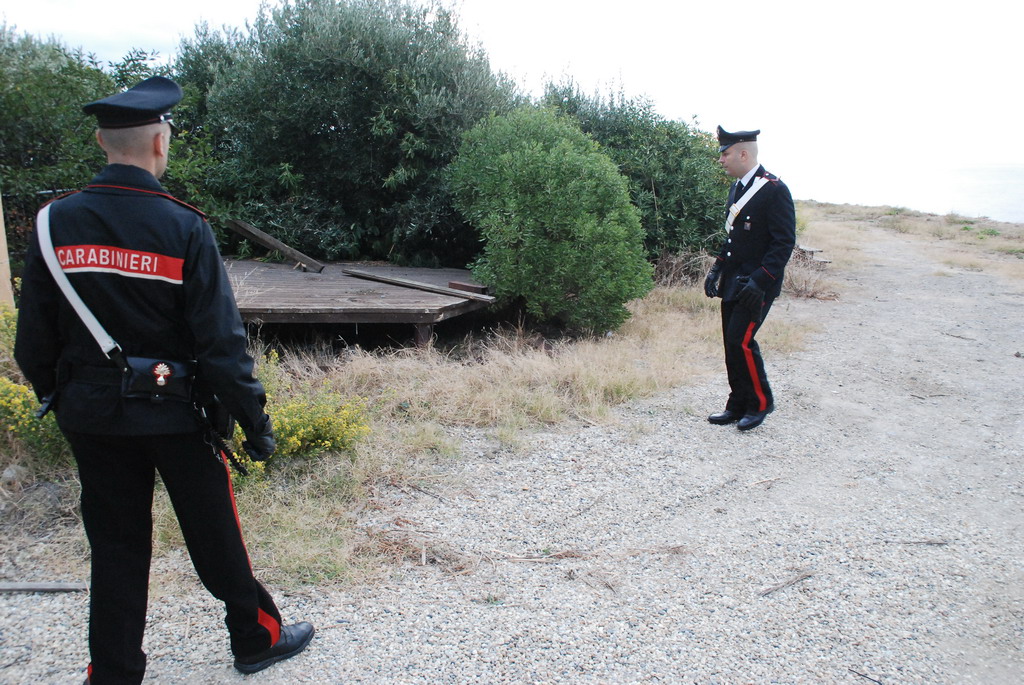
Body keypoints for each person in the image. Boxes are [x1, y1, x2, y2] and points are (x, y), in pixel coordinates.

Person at [14, 76, 314, 684]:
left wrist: (61, 396)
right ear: (160, 143)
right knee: (214, 534)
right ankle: (255, 638)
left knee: (116, 547)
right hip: (179, 416)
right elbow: (222, 346)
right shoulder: (184, 228)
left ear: (101, 141)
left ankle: (114, 673)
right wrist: (255, 422)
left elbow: (33, 342)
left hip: (91, 415)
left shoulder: (51, 225)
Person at [703, 126, 796, 431]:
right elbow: (733, 239)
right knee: (731, 344)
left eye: (726, 154)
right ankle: (737, 403)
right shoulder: (737, 188)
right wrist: (717, 268)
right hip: (734, 280)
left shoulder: (774, 189)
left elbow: (783, 243)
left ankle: (759, 403)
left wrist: (760, 280)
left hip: (757, 285)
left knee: (741, 342)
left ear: (743, 154)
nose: (721, 160)